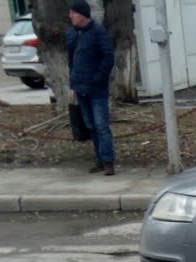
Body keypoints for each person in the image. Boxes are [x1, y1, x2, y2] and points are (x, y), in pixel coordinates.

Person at [66, 0, 116, 176]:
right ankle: (99, 159)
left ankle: (108, 161)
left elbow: (108, 57)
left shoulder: (98, 32)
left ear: (83, 14)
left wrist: (98, 78)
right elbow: (72, 61)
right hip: (80, 88)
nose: (70, 16)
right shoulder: (72, 34)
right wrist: (73, 84)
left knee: (101, 125)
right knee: (91, 125)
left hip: (97, 89)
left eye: (73, 12)